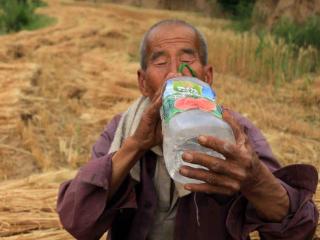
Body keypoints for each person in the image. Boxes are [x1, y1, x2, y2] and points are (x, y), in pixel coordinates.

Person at [57, 19, 318, 240]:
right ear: (143, 83)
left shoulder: (236, 133)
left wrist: (254, 179)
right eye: (160, 63)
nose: (175, 73)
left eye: (187, 59)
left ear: (206, 78)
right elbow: (77, 220)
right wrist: (136, 145)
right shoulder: (123, 130)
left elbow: (299, 227)